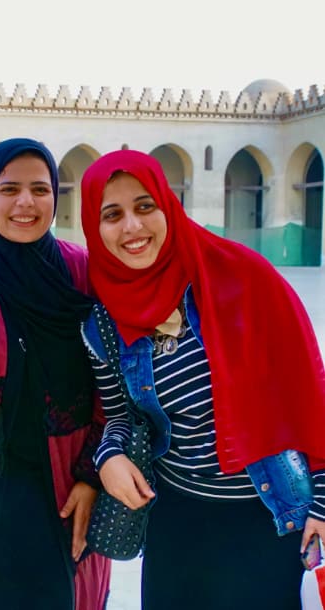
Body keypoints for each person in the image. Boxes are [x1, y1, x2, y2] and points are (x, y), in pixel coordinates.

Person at [80, 149, 325, 609]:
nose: (132, 227)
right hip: (176, 522)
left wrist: (324, 501)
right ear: (96, 229)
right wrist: (109, 455)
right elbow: (119, 416)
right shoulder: (104, 322)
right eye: (112, 215)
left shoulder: (245, 278)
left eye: (144, 206)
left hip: (264, 519)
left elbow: (311, 396)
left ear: (168, 207)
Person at [0, 139, 110, 610]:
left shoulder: (83, 273)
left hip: (69, 494)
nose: (25, 203)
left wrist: (93, 476)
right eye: (9, 189)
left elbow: (114, 388)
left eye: (39, 189)